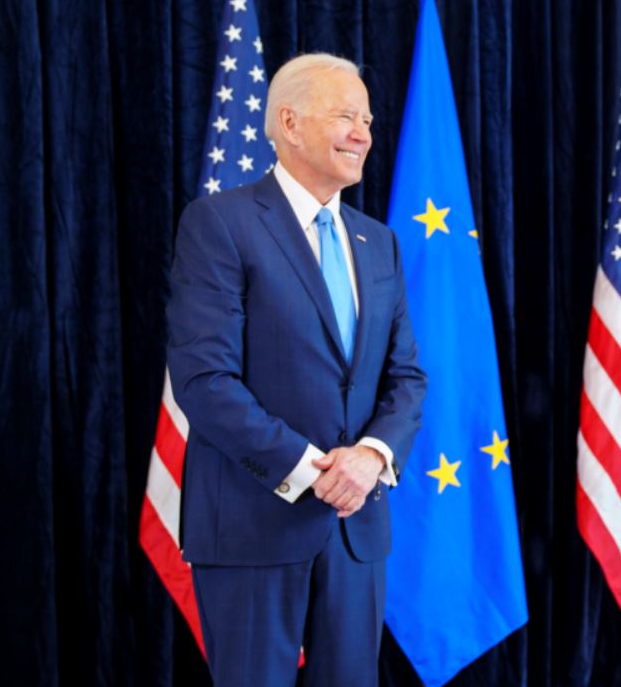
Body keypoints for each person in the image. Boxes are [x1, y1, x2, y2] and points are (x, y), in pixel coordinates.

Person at [166, 53, 426, 687]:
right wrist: (314, 470)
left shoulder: (379, 241)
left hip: (355, 529)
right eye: (345, 116)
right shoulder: (219, 224)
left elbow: (406, 378)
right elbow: (205, 381)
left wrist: (369, 458)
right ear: (288, 121)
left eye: (367, 119)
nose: (364, 133)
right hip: (253, 527)